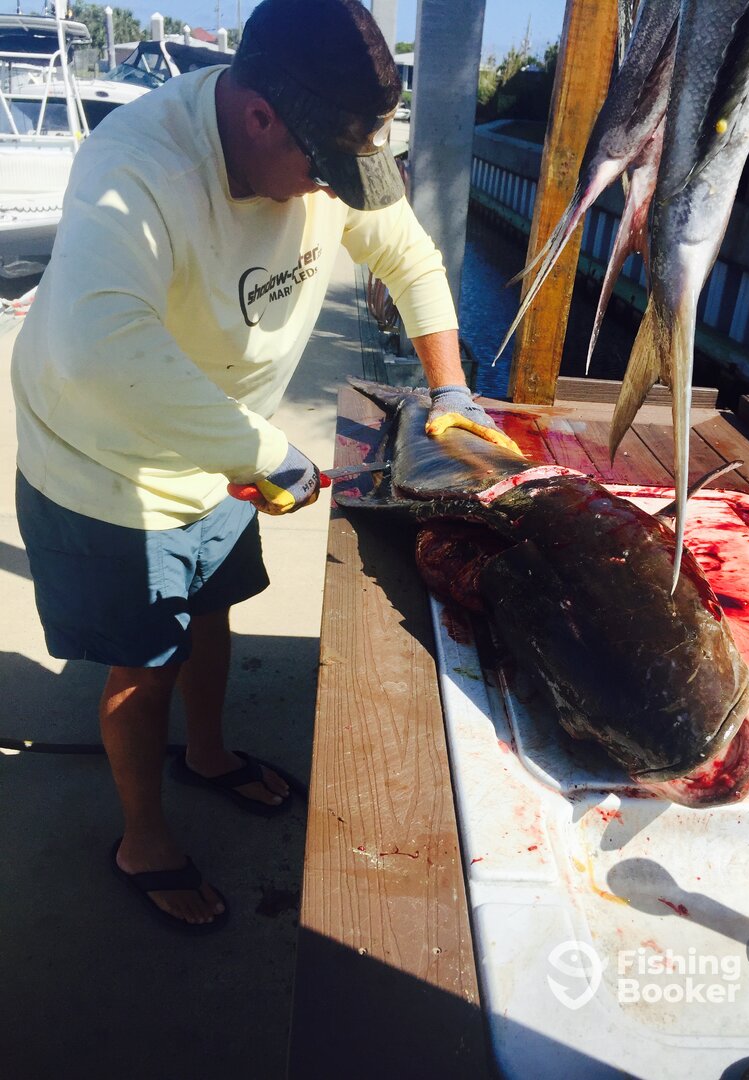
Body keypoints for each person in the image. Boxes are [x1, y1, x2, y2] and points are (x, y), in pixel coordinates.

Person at [11, 0, 516, 932]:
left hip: (223, 445)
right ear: (257, 118)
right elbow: (98, 349)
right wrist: (266, 453)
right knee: (143, 666)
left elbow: (408, 257)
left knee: (214, 611)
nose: (332, 194)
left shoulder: (321, 143)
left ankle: (206, 755)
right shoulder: (138, 166)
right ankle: (142, 841)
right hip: (107, 460)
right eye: (323, 173)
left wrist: (451, 390)